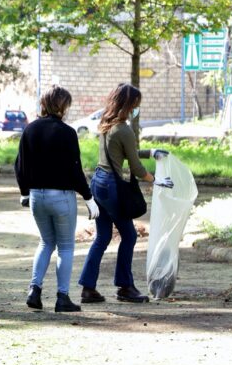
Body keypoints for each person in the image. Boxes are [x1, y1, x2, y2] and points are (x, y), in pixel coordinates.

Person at [79, 83, 173, 304]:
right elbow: (137, 168)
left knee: (102, 237)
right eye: (135, 106)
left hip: (98, 183)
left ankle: (88, 288)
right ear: (128, 105)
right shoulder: (124, 129)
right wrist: (157, 181)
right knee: (129, 235)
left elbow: (122, 151)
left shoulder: (106, 124)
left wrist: (150, 152)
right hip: (112, 186)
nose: (136, 110)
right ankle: (125, 287)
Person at [15, 85, 100, 313]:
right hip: (61, 197)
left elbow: (19, 165)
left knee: (45, 242)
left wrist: (25, 192)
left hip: (36, 196)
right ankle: (62, 297)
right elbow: (75, 170)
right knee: (65, 247)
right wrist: (88, 197)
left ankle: (34, 289)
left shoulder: (30, 130)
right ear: (63, 106)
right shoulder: (67, 132)